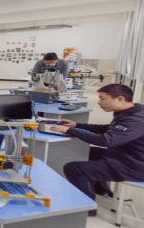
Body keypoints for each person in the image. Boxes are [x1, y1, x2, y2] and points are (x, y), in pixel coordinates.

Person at [51, 84, 144, 212]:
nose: (99, 102)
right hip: (128, 156)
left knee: (73, 168)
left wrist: (70, 130)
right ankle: (102, 189)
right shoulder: (132, 111)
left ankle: (87, 208)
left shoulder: (136, 120)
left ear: (120, 99)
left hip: (134, 166)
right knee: (88, 152)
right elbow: (108, 129)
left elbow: (105, 140)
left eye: (103, 99)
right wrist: (78, 125)